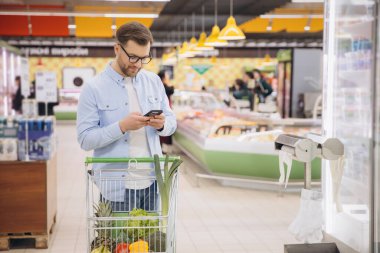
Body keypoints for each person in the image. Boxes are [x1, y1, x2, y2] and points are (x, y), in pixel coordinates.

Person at [76, 22, 176, 211]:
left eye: (144, 58)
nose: (138, 64)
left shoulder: (153, 81)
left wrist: (162, 125)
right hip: (115, 187)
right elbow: (85, 139)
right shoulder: (94, 88)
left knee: (150, 241)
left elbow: (172, 122)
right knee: (117, 241)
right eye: (132, 57)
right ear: (117, 49)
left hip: (153, 184)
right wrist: (122, 126)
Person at [157, 70, 174, 149]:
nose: (168, 77)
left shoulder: (157, 84)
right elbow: (171, 90)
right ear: (163, 77)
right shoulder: (163, 86)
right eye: (166, 75)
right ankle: (160, 147)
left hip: (162, 109)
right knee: (162, 126)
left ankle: (160, 147)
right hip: (163, 109)